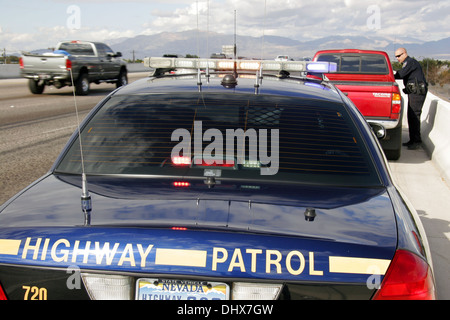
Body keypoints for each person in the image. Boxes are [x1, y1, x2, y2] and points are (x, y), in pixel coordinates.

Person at [394, 48, 428, 150]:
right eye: (396, 57)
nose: (397, 58)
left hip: (417, 93)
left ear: (404, 54)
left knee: (414, 116)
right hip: (414, 93)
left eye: (399, 56)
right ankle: (412, 140)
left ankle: (416, 141)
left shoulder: (410, 62)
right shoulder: (408, 63)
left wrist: (390, 76)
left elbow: (401, 74)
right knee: (411, 116)